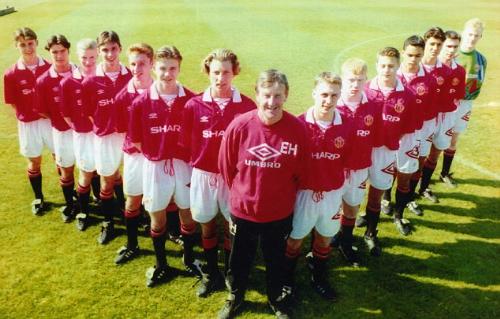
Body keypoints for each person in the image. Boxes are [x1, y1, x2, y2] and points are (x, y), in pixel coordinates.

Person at [218, 69, 308, 319]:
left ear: (286, 95)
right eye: (267, 95)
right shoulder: (240, 125)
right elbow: (226, 168)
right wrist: (244, 194)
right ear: (257, 94)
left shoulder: (297, 130)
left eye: (278, 95)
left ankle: (276, 298)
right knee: (239, 259)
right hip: (243, 211)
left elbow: (301, 172)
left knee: (275, 260)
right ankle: (235, 296)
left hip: (278, 213)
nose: (272, 102)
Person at [180, 49, 256, 297]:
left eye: (225, 72)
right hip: (203, 175)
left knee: (231, 225)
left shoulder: (246, 106)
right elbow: (188, 142)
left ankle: (230, 274)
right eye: (215, 72)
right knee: (207, 225)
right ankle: (211, 273)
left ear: (234, 72)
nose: (220, 78)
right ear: (208, 72)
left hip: (232, 178)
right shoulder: (193, 105)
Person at [128, 45, 200, 287]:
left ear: (179, 68)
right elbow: (136, 139)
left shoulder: (191, 99)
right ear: (154, 68)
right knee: (156, 217)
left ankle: (190, 259)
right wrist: (157, 152)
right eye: (162, 68)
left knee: (188, 214)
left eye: (172, 69)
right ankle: (161, 265)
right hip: (155, 167)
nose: (167, 74)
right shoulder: (141, 102)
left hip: (184, 166)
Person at [284, 72, 350, 301]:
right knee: (294, 241)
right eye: (323, 94)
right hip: (304, 195)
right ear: (314, 93)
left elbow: (348, 162)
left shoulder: (347, 125)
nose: (328, 100)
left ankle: (319, 278)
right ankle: (287, 281)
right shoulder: (298, 125)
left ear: (339, 96)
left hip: (331, 195)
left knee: (324, 239)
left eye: (334, 95)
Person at [356, 47, 417, 253]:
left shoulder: (406, 95)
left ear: (398, 67)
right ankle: (342, 233)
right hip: (362, 149)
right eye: (382, 65)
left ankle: (371, 233)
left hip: (385, 152)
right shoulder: (365, 90)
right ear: (376, 66)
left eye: (391, 66)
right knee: (352, 192)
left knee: (376, 194)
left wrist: (389, 140)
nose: (386, 70)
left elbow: (406, 128)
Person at [82, 30, 132, 244]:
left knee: (133, 182)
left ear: (120, 48)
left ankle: (131, 213)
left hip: (130, 137)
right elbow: (90, 113)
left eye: (114, 49)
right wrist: (106, 126)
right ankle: (108, 222)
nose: (110, 54)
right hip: (105, 137)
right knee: (106, 181)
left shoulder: (131, 75)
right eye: (105, 50)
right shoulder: (90, 81)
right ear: (99, 52)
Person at [381, 35, 437, 220]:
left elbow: (428, 110)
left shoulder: (428, 80)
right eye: (410, 55)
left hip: (413, 134)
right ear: (403, 53)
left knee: (406, 172)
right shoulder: (392, 74)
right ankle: (386, 198)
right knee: (388, 169)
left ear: (422, 55)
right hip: (390, 133)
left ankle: (400, 214)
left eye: (418, 56)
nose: (413, 59)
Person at [332, 58, 377, 266]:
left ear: (366, 80)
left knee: (351, 208)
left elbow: (377, 137)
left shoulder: (373, 107)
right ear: (343, 79)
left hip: (359, 168)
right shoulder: (331, 104)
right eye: (350, 80)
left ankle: (346, 242)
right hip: (334, 170)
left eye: (360, 80)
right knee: (329, 210)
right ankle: (323, 243)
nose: (355, 85)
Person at [3, 27, 52, 216]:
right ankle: (39, 197)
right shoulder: (11, 74)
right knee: (34, 161)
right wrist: (28, 115)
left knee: (61, 158)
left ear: (37, 43)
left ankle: (69, 194)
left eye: (30, 43)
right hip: (28, 124)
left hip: (49, 122)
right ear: (16, 46)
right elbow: (13, 103)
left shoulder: (49, 67)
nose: (27, 48)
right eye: (22, 45)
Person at [113, 43, 154, 264]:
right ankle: (132, 244)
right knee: (133, 199)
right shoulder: (122, 97)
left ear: (151, 64)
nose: (137, 69)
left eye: (142, 64)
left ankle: (172, 232)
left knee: (161, 199)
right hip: (135, 156)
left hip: (159, 156)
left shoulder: (163, 91)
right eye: (132, 64)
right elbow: (121, 130)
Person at [34, 34, 78, 223]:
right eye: (54, 52)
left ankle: (96, 199)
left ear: (68, 51)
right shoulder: (43, 80)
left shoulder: (82, 72)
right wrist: (62, 121)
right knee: (66, 169)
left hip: (85, 132)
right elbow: (42, 111)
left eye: (62, 51)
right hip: (61, 132)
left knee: (90, 168)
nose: (59, 56)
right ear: (49, 53)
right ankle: (70, 204)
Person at [418, 31, 466, 201]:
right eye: (448, 46)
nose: (451, 50)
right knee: (417, 156)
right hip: (428, 118)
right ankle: (403, 194)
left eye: (455, 47)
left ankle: (424, 188)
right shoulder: (430, 67)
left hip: (447, 118)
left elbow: (458, 96)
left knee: (435, 152)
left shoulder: (459, 71)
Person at [440, 18, 487, 187]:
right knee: (432, 140)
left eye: (476, 35)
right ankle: (423, 177)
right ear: (463, 33)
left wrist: (467, 94)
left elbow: (478, 83)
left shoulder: (481, 60)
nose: (472, 38)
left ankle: (444, 173)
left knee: (453, 139)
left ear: (480, 37)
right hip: (445, 104)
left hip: (465, 104)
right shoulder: (451, 54)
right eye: (469, 34)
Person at [60, 38, 101, 230]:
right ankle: (84, 211)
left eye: (92, 57)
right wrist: (80, 127)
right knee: (85, 172)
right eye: (84, 57)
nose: (88, 62)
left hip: (104, 135)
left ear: (98, 55)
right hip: (83, 135)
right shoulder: (68, 82)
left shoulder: (104, 78)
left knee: (110, 172)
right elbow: (66, 114)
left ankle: (106, 201)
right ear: (78, 56)